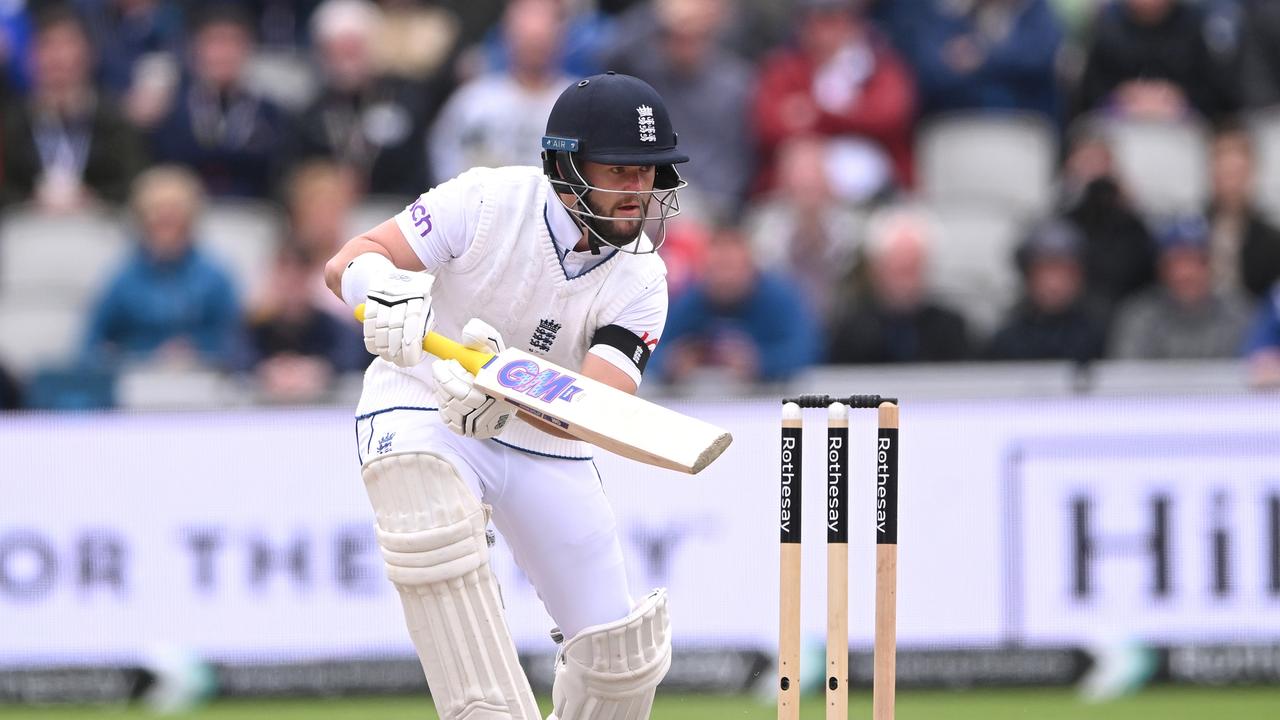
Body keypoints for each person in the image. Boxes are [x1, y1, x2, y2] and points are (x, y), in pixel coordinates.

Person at [323, 73, 685, 720]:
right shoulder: (486, 199)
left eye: (650, 174)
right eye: (620, 171)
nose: (639, 191)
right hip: (423, 399)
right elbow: (352, 258)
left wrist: (506, 388)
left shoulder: (643, 280)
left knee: (620, 664)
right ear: (565, 165)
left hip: (547, 437)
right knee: (422, 494)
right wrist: (377, 290)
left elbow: (594, 408)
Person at [84, 166, 241, 368]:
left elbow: (235, 344)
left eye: (174, 218)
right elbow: (90, 345)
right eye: (158, 218)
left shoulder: (215, 277)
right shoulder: (123, 280)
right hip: (137, 382)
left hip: (203, 381)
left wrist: (196, 351)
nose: (166, 227)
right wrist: (139, 356)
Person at [652, 224, 822, 384]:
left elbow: (807, 349)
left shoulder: (779, 298)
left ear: (750, 267)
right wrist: (671, 362)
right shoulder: (691, 301)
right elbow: (649, 349)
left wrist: (760, 363)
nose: (724, 278)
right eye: (717, 268)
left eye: (731, 267)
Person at [826, 204, 970, 364]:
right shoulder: (852, 331)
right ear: (877, 269)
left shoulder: (950, 330)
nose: (906, 282)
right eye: (899, 269)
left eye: (913, 269)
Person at [1109, 214, 1254, 359]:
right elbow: (1126, 373)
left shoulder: (1239, 315)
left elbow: (1256, 367)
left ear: (1212, 266)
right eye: (1177, 262)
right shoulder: (1138, 317)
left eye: (1197, 261)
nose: (1187, 273)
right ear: (1161, 269)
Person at [986, 219, 1110, 362]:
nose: (1054, 283)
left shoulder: (1101, 334)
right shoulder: (1006, 339)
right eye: (1045, 271)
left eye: (1065, 272)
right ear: (1028, 276)